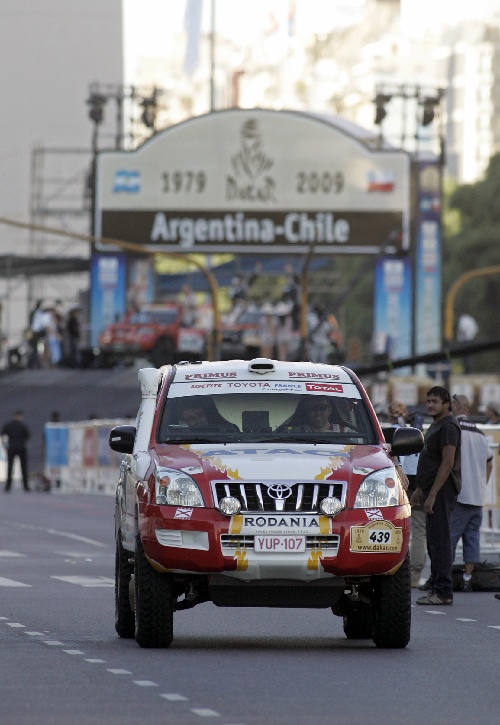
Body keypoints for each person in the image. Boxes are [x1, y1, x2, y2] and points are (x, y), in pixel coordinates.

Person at [411, 386, 461, 606]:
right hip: (430, 489)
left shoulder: (449, 426)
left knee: (440, 541)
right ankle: (436, 586)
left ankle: (443, 591)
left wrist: (432, 494)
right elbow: (430, 460)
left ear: (446, 403)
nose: (430, 405)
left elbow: (447, 462)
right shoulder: (436, 425)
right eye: (428, 401)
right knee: (433, 540)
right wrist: (420, 489)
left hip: (441, 491)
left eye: (435, 401)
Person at [450, 394, 493, 592]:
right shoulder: (481, 435)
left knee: (449, 538)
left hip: (459, 494)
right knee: (472, 539)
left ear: (457, 407)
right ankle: (467, 577)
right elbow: (489, 463)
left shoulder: (454, 430)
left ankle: (444, 577)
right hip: (477, 496)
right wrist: (482, 483)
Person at [386, 401, 426, 588]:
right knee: (418, 528)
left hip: (397, 481)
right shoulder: (416, 432)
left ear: (389, 414)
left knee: (394, 526)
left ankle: (393, 570)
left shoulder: (388, 432)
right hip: (417, 481)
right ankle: (415, 575)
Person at [1, 410, 31, 492]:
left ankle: (8, 486)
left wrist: (5, 445)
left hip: (12, 447)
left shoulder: (9, 425)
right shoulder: (23, 426)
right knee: (23, 467)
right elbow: (28, 436)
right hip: (21, 447)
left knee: (10, 467)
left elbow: (2, 434)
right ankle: (25, 486)